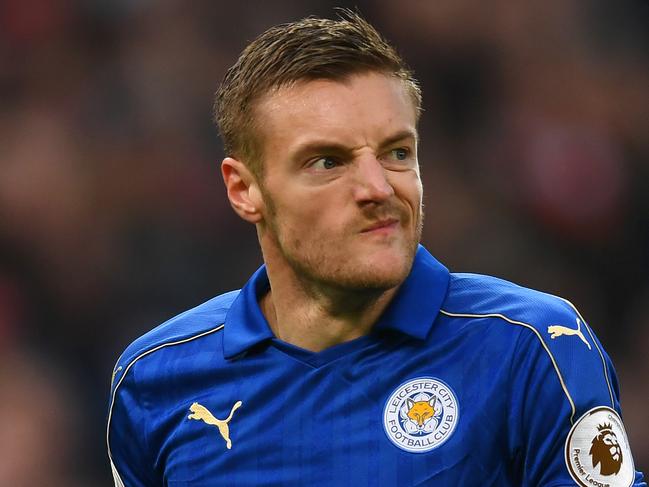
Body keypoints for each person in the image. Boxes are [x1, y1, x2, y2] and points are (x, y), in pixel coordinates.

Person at [107, 11, 645, 487]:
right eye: (328, 162)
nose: (380, 188)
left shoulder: (531, 348)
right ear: (244, 190)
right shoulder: (156, 380)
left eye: (396, 152)